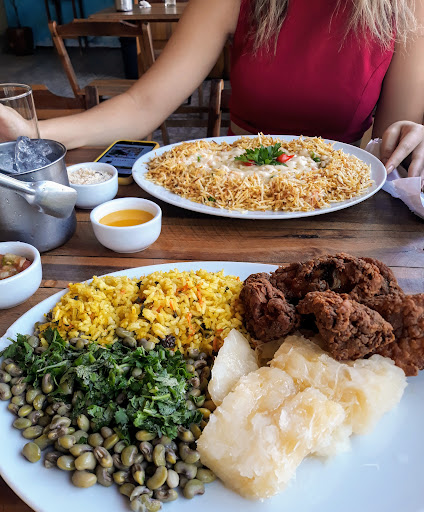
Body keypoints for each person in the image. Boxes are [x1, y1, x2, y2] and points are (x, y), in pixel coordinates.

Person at [1, 0, 423, 177]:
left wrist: (413, 138)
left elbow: (391, 145)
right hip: (228, 184)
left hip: (336, 196)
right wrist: (31, 135)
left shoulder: (407, 7)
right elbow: (143, 104)